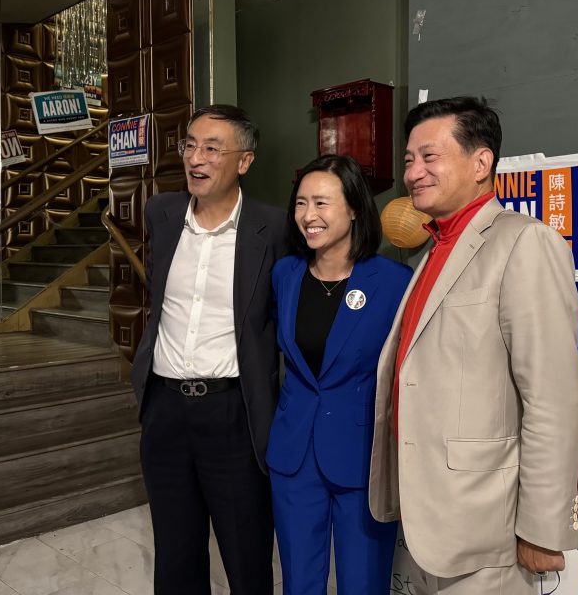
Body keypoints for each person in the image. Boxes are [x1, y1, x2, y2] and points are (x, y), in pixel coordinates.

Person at [368, 96, 578, 594]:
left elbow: (553, 399)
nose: (414, 173)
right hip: (430, 517)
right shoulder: (432, 249)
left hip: (488, 527)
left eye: (429, 157)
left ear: (481, 162)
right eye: (408, 161)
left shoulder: (523, 243)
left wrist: (541, 527)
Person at [130, 104, 287, 595]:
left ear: (244, 161)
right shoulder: (163, 212)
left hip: (233, 412)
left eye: (212, 148)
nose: (196, 158)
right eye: (190, 145)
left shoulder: (274, 229)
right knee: (175, 556)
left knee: (246, 555)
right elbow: (157, 297)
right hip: (165, 409)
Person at [265, 154, 412, 594]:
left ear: (353, 209)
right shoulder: (285, 274)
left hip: (362, 455)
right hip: (294, 455)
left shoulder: (392, 281)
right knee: (299, 580)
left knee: (363, 583)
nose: (309, 216)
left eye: (322, 203)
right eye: (301, 203)